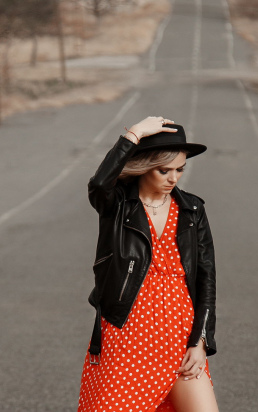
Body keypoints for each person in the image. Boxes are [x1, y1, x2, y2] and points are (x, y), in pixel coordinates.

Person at [78, 116, 219, 412]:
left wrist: (201, 340)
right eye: (163, 170)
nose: (173, 178)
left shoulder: (192, 210)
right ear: (143, 167)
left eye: (180, 169)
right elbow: (100, 183)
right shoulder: (118, 205)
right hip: (128, 332)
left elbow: (206, 279)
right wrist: (135, 134)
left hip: (181, 332)